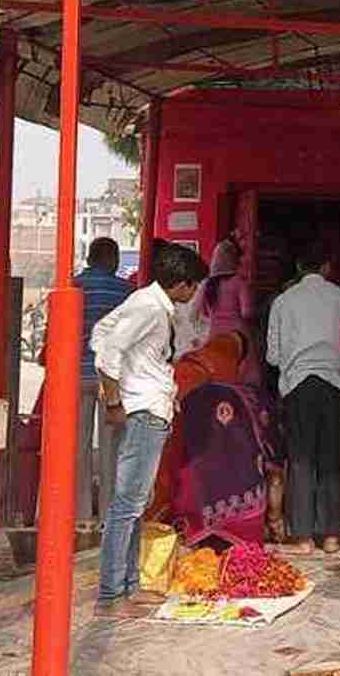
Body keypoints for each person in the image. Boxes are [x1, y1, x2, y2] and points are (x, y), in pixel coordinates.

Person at [92, 243, 208, 617]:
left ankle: (128, 587)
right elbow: (108, 353)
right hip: (141, 412)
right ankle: (111, 596)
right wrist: (115, 403)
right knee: (127, 505)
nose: (193, 296)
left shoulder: (153, 306)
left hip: (149, 406)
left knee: (134, 504)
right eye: (193, 288)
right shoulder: (147, 307)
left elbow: (103, 333)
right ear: (182, 284)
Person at [267, 242, 340, 556]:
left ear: (299, 269)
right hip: (334, 385)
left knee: (301, 460)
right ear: (327, 268)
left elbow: (273, 356)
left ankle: (303, 537)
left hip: (298, 386)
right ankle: (331, 536)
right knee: (332, 460)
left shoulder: (283, 301)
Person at [164, 331, 285, 547]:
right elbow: (274, 468)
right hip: (241, 490)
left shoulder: (186, 374)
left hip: (195, 486)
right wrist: (275, 520)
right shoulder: (250, 397)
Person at [73, 238, 134, 526]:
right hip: (110, 379)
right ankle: (109, 514)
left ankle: (81, 513)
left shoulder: (73, 287)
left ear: (89, 258)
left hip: (76, 374)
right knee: (112, 447)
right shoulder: (125, 292)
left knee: (78, 446)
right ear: (112, 259)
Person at [195, 239, 259, 385]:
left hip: (214, 334)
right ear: (234, 260)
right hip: (238, 335)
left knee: (219, 373)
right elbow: (247, 311)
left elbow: (203, 312)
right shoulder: (239, 282)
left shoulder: (208, 284)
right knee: (242, 375)